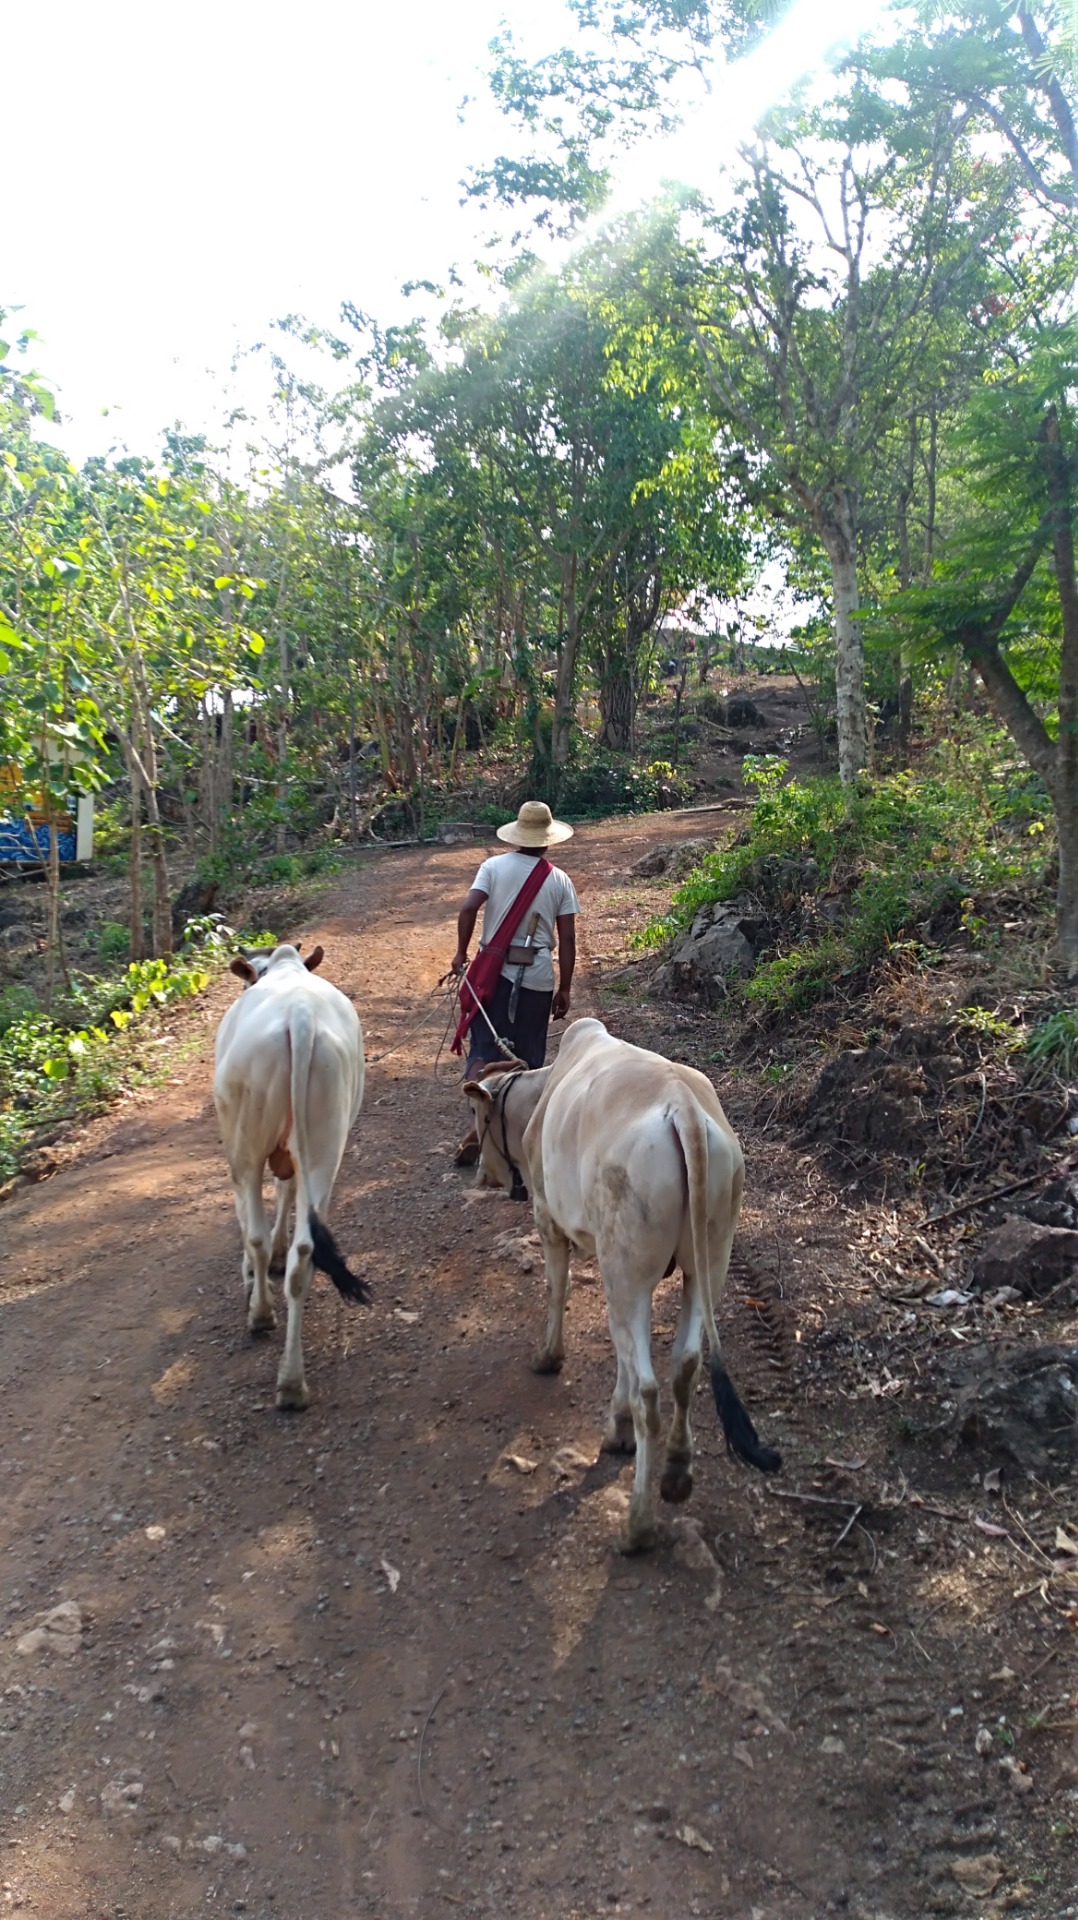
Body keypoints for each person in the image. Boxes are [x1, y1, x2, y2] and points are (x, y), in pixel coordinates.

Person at [450, 800, 579, 1165]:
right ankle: (520, 1138)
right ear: (548, 840)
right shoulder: (559, 880)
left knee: (483, 1051)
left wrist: (461, 954)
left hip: (495, 974)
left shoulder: (493, 866)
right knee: (528, 1058)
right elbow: (567, 939)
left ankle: (480, 1121)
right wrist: (565, 988)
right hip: (537, 977)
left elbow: (467, 908)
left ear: (517, 835)